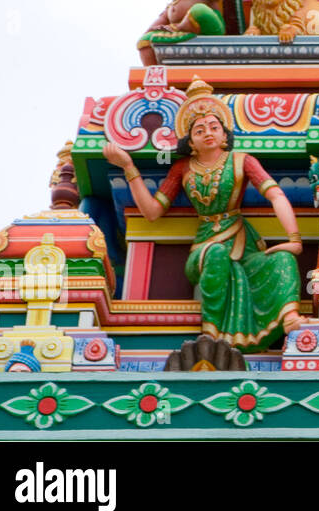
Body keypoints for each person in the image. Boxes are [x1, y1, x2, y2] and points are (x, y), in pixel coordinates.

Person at [102, 78, 303, 352]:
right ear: (191, 142)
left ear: (224, 135)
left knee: (282, 258)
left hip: (243, 246)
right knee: (217, 255)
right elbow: (151, 212)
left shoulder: (242, 160)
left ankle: (288, 317)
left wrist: (294, 238)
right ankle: (211, 334)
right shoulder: (182, 169)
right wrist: (128, 167)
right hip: (203, 250)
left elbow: (276, 195)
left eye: (213, 127)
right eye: (199, 130)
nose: (207, 133)